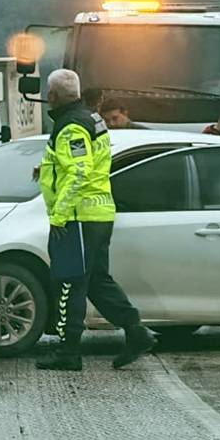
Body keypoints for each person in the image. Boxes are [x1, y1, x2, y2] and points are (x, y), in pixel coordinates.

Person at [37, 69, 155, 371]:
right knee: (97, 281)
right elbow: (88, 163)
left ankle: (68, 352)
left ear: (52, 96)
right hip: (99, 213)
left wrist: (60, 216)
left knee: (69, 283)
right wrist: (47, 171)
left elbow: (78, 171)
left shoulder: (71, 127)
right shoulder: (92, 118)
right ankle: (136, 331)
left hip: (78, 217)